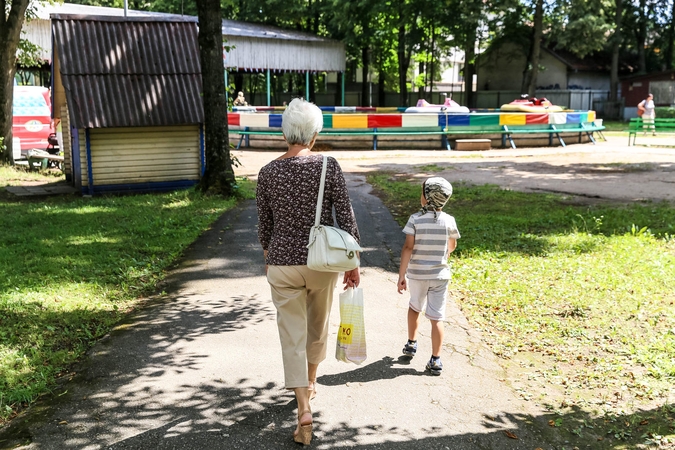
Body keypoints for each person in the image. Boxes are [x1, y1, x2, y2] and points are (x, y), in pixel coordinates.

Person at [256, 98, 361, 445]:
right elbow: (345, 216)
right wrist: (354, 263)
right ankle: (311, 384)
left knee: (292, 336)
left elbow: (264, 227)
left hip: (283, 265)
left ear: (285, 133)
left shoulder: (268, 171)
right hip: (322, 263)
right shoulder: (329, 166)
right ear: (314, 134)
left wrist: (270, 255)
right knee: (318, 328)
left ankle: (303, 407)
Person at [397, 177, 460, 376]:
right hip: (440, 276)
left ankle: (411, 343)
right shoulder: (449, 220)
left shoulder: (415, 218)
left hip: (417, 274)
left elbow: (408, 247)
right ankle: (435, 359)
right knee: (437, 317)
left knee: (415, 307)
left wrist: (401, 275)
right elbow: (452, 246)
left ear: (427, 197)